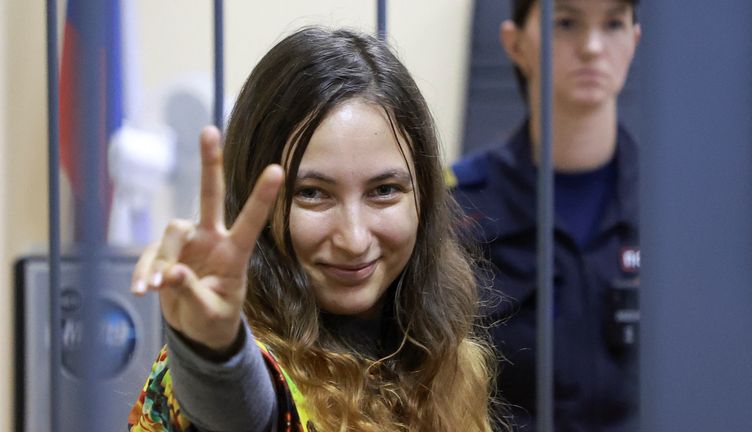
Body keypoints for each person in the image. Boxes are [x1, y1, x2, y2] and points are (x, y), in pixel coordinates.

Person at [126, 27, 502, 432]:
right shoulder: (252, 365)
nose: (354, 240)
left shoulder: (446, 360)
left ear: (423, 196)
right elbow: (244, 412)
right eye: (312, 194)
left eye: (384, 190)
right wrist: (213, 350)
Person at [450, 0, 642, 430]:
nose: (592, 47)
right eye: (566, 23)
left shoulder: (681, 211)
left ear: (633, 41)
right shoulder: (459, 209)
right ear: (514, 43)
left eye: (613, 24)